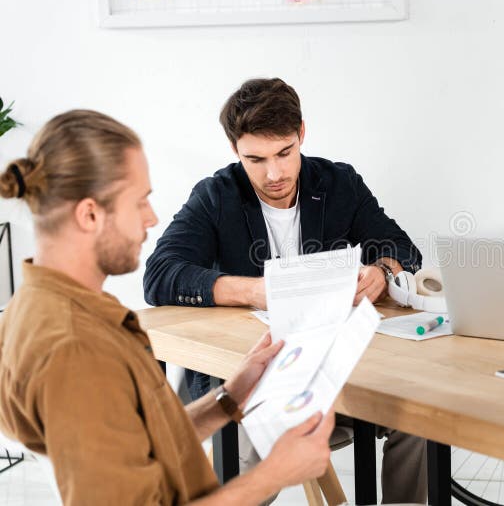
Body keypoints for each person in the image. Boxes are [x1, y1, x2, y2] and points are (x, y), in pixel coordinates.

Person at [0, 110, 335, 505]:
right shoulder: (76, 349)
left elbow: (137, 442)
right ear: (89, 214)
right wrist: (274, 474)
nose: (152, 218)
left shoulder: (42, 306)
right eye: (140, 202)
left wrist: (227, 398)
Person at [143, 78, 427, 503]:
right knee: (244, 454)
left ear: (301, 136)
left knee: (421, 418)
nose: (273, 173)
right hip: (250, 377)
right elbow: (160, 275)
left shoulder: (338, 183)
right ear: (234, 151)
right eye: (254, 159)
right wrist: (254, 291)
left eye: (284, 153)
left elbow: (402, 247)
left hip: (338, 370)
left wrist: (383, 270)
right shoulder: (216, 195)